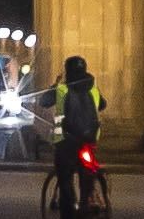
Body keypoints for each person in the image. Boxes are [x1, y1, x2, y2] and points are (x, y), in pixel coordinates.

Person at [43, 56, 102, 216]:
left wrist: (54, 85)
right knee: (88, 170)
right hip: (90, 138)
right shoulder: (93, 89)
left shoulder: (62, 89)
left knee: (64, 175)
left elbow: (44, 101)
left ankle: (71, 207)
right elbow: (103, 104)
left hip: (66, 140)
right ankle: (87, 202)